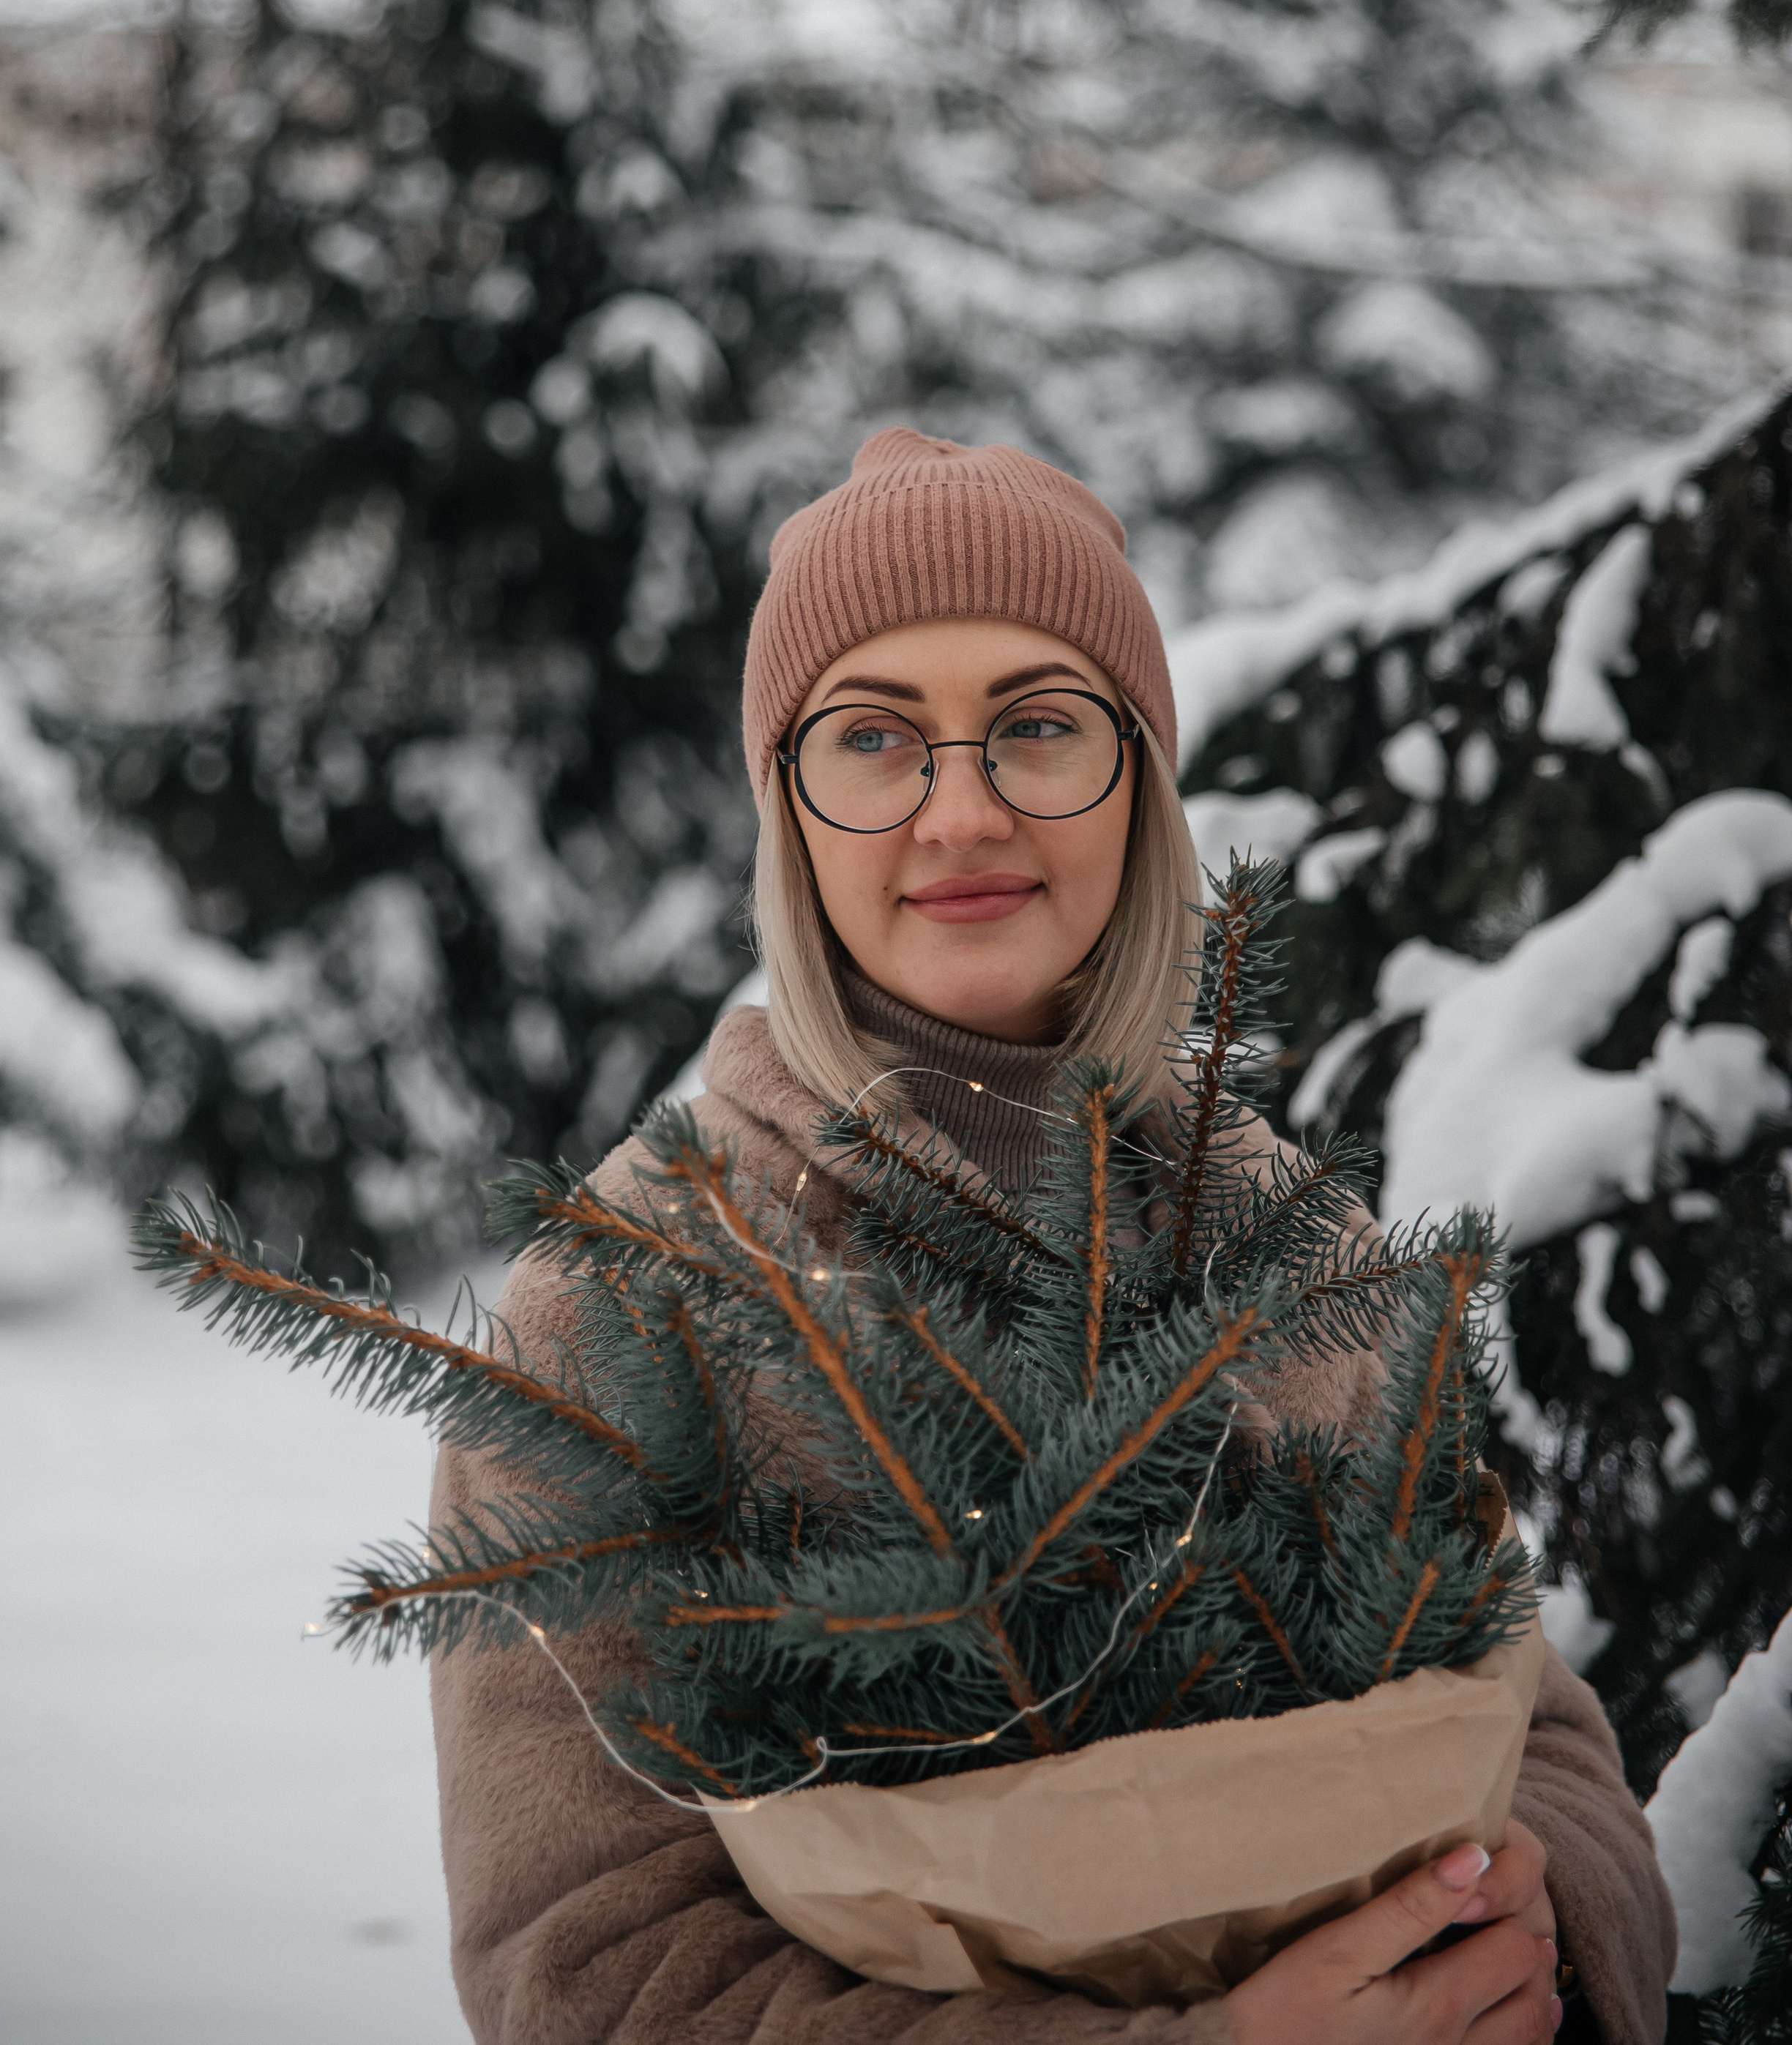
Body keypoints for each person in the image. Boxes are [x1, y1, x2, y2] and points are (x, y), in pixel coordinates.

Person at [430, 427, 1675, 2045]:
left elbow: (1541, 1725)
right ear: (785, 807)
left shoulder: (1290, 1236)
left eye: (1035, 725)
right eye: (873, 737)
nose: (963, 813)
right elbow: (586, 1973)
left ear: (1137, 786)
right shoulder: (623, 1307)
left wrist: (1537, 1922)